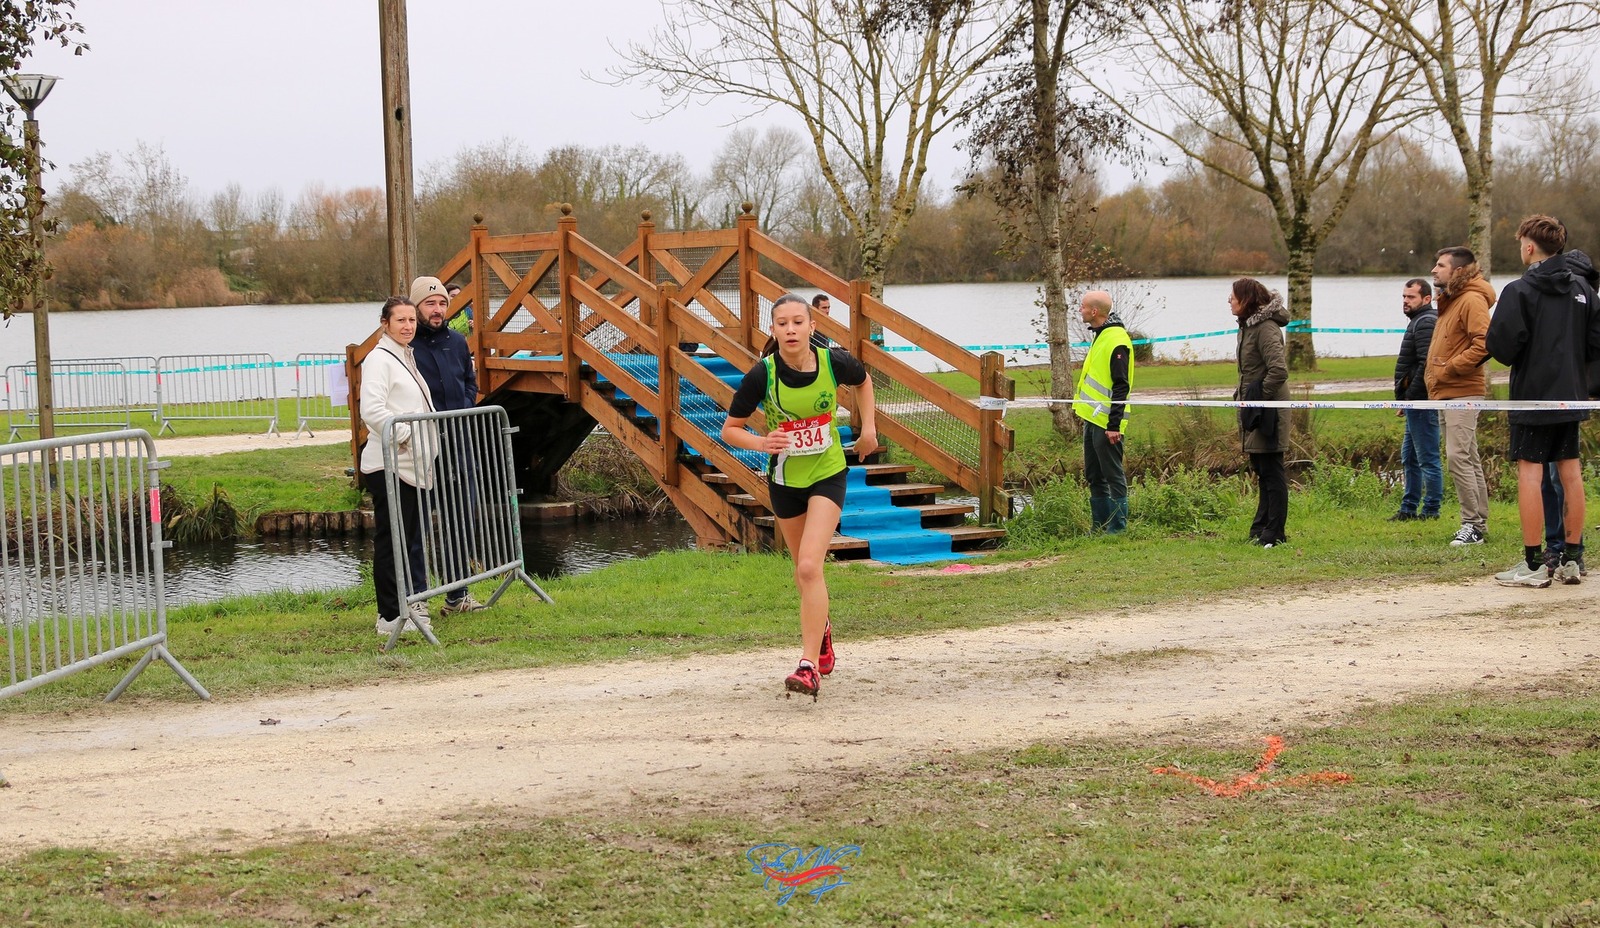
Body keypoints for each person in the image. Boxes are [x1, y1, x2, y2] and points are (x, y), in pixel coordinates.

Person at [721, 293, 878, 699]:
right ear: (773, 330)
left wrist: (868, 429)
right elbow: (730, 430)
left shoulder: (834, 361)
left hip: (827, 474)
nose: (790, 329)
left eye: (797, 322)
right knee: (802, 570)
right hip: (785, 480)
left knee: (810, 566)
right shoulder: (762, 375)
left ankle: (808, 666)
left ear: (812, 326)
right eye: (782, 323)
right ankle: (822, 631)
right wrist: (762, 442)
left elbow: (863, 381)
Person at [1486, 217, 1600, 587]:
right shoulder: (1583, 288)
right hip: (1571, 394)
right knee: (1571, 471)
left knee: (1531, 473)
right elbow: (1595, 343)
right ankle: (1572, 558)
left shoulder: (1519, 290)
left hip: (1533, 396)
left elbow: (1502, 348)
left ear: (1530, 246)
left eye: (1521, 242)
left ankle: (1534, 563)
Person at [410, 276, 487, 616]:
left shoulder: (457, 342)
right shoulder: (406, 345)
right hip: (424, 446)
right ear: (416, 307)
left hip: (459, 443)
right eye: (430, 303)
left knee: (461, 520)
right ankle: (416, 598)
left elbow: (470, 381)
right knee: (418, 524)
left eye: (442, 303)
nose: (438, 309)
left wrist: (464, 407)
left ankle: (457, 596)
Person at [360, 296, 436, 639]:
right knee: (391, 542)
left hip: (411, 465)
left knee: (406, 541)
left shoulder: (405, 355)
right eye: (400, 320)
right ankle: (389, 616)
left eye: (411, 320)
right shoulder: (378, 359)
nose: (408, 326)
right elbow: (372, 409)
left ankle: (405, 606)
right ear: (385, 323)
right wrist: (406, 436)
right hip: (388, 465)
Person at [1425, 245, 1495, 547]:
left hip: (1462, 391)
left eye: (1440, 265)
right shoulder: (1452, 299)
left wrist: (1450, 369)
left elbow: (1484, 344)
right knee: (1468, 457)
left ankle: (1472, 525)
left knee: (1458, 457)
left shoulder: (1471, 299)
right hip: (1446, 392)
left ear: (1458, 271)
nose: (1434, 269)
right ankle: (1479, 522)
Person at [1536, 249, 1600, 579]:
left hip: (1570, 396)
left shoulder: (1583, 300)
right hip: (1558, 395)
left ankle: (1571, 549)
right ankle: (1560, 546)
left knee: (1560, 478)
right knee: (1551, 477)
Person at [1230, 278, 1290, 548]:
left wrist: (1257, 398)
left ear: (1246, 300)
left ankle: (1275, 532)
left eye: (1233, 297)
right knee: (1261, 469)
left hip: (1268, 411)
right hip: (1253, 408)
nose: (1229, 301)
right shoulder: (1247, 328)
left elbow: (1278, 371)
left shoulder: (1266, 328)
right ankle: (1260, 527)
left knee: (1272, 470)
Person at [1074, 290, 1132, 533]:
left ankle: (1117, 528)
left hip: (1108, 421)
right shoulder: (1101, 335)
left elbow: (1121, 385)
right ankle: (1099, 526)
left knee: (1112, 475)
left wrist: (1114, 425)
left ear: (1095, 311)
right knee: (1094, 474)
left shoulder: (1116, 339)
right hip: (1092, 418)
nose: (1080, 310)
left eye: (1083, 306)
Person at [1390, 278, 1441, 521]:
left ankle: (1431, 510)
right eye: (1404, 296)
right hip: (1413, 402)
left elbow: (1426, 364)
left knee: (1428, 459)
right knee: (1409, 457)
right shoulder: (1417, 321)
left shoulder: (1425, 322)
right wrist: (1404, 400)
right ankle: (1408, 508)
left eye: (1411, 297)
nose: (1405, 301)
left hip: (1422, 402)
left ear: (1427, 299)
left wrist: (1410, 397)